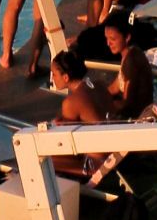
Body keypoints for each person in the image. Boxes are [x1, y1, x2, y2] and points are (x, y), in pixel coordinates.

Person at [46, 49, 109, 177]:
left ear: (66, 77)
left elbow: (64, 141)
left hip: (95, 162)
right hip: (113, 149)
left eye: (54, 74)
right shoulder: (100, 85)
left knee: (43, 157)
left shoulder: (71, 102)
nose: (52, 78)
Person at [103, 10, 154, 118]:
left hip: (139, 116)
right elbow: (114, 87)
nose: (108, 43)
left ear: (127, 37)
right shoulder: (129, 54)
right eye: (107, 38)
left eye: (112, 39)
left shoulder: (132, 60)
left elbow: (127, 103)